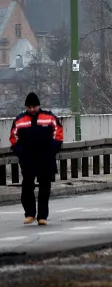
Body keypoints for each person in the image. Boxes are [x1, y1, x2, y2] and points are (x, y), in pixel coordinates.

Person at [8, 92, 63, 226]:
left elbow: (58, 134)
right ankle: (30, 213)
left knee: (45, 187)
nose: (32, 109)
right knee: (27, 186)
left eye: (34, 107)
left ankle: (42, 216)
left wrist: (52, 150)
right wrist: (21, 152)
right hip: (28, 158)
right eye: (29, 107)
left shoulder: (49, 118)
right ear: (26, 107)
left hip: (46, 158)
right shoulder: (20, 120)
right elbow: (13, 138)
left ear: (39, 106)